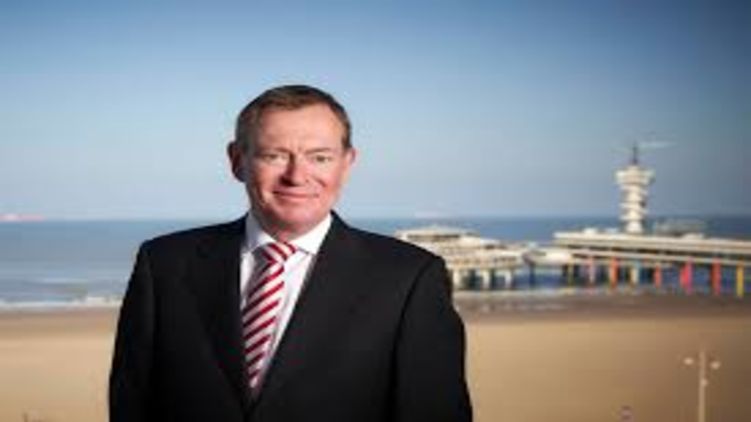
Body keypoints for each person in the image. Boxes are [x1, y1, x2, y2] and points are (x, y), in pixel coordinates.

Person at [109, 84, 472, 422]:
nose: (297, 176)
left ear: (347, 163)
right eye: (274, 155)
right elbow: (131, 402)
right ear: (237, 160)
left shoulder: (408, 278)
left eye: (320, 158)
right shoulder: (164, 264)